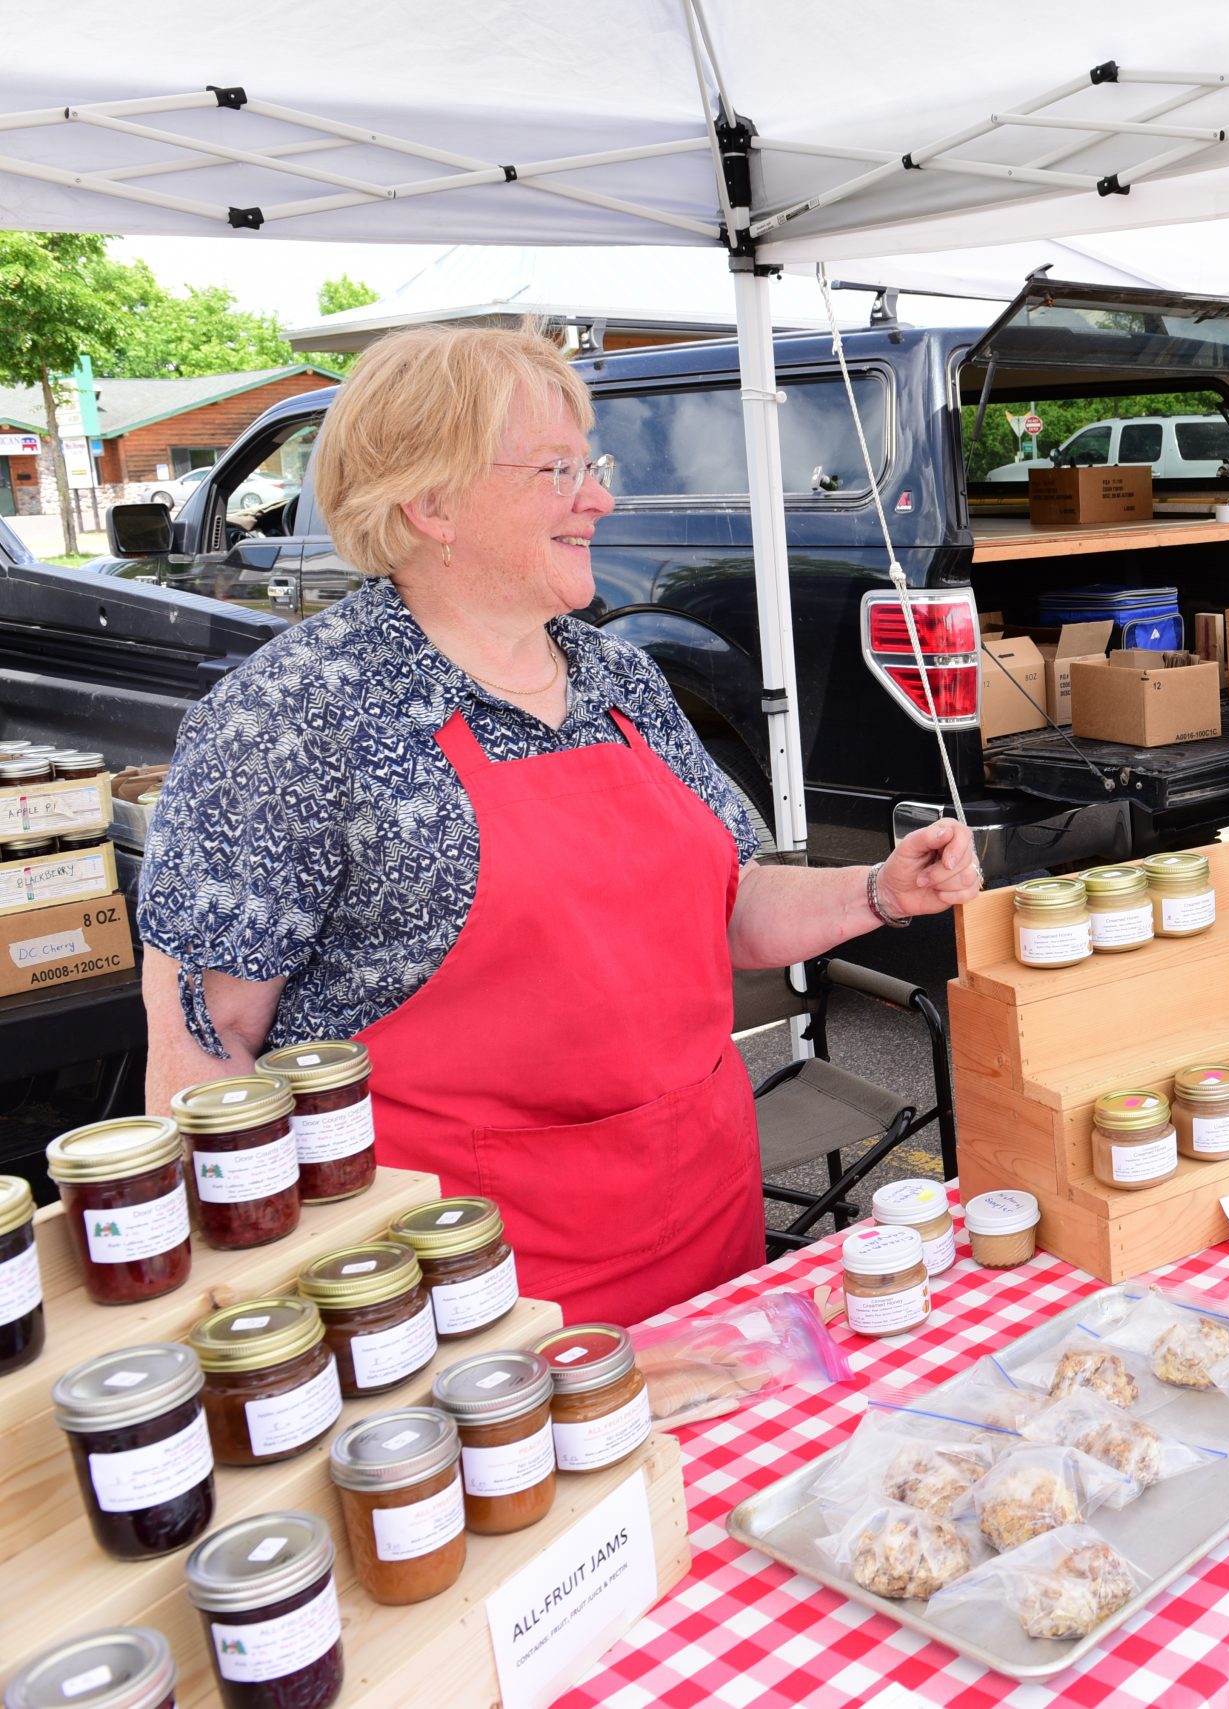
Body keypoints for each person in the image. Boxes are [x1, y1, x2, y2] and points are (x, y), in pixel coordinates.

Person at [136, 324, 980, 1324]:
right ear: (431, 503)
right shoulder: (290, 717)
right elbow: (207, 1044)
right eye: (558, 470)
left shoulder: (619, 676)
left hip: (703, 1224)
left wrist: (878, 889)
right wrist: (267, 1306)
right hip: (458, 1290)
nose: (600, 499)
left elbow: (730, 902)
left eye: (593, 466)